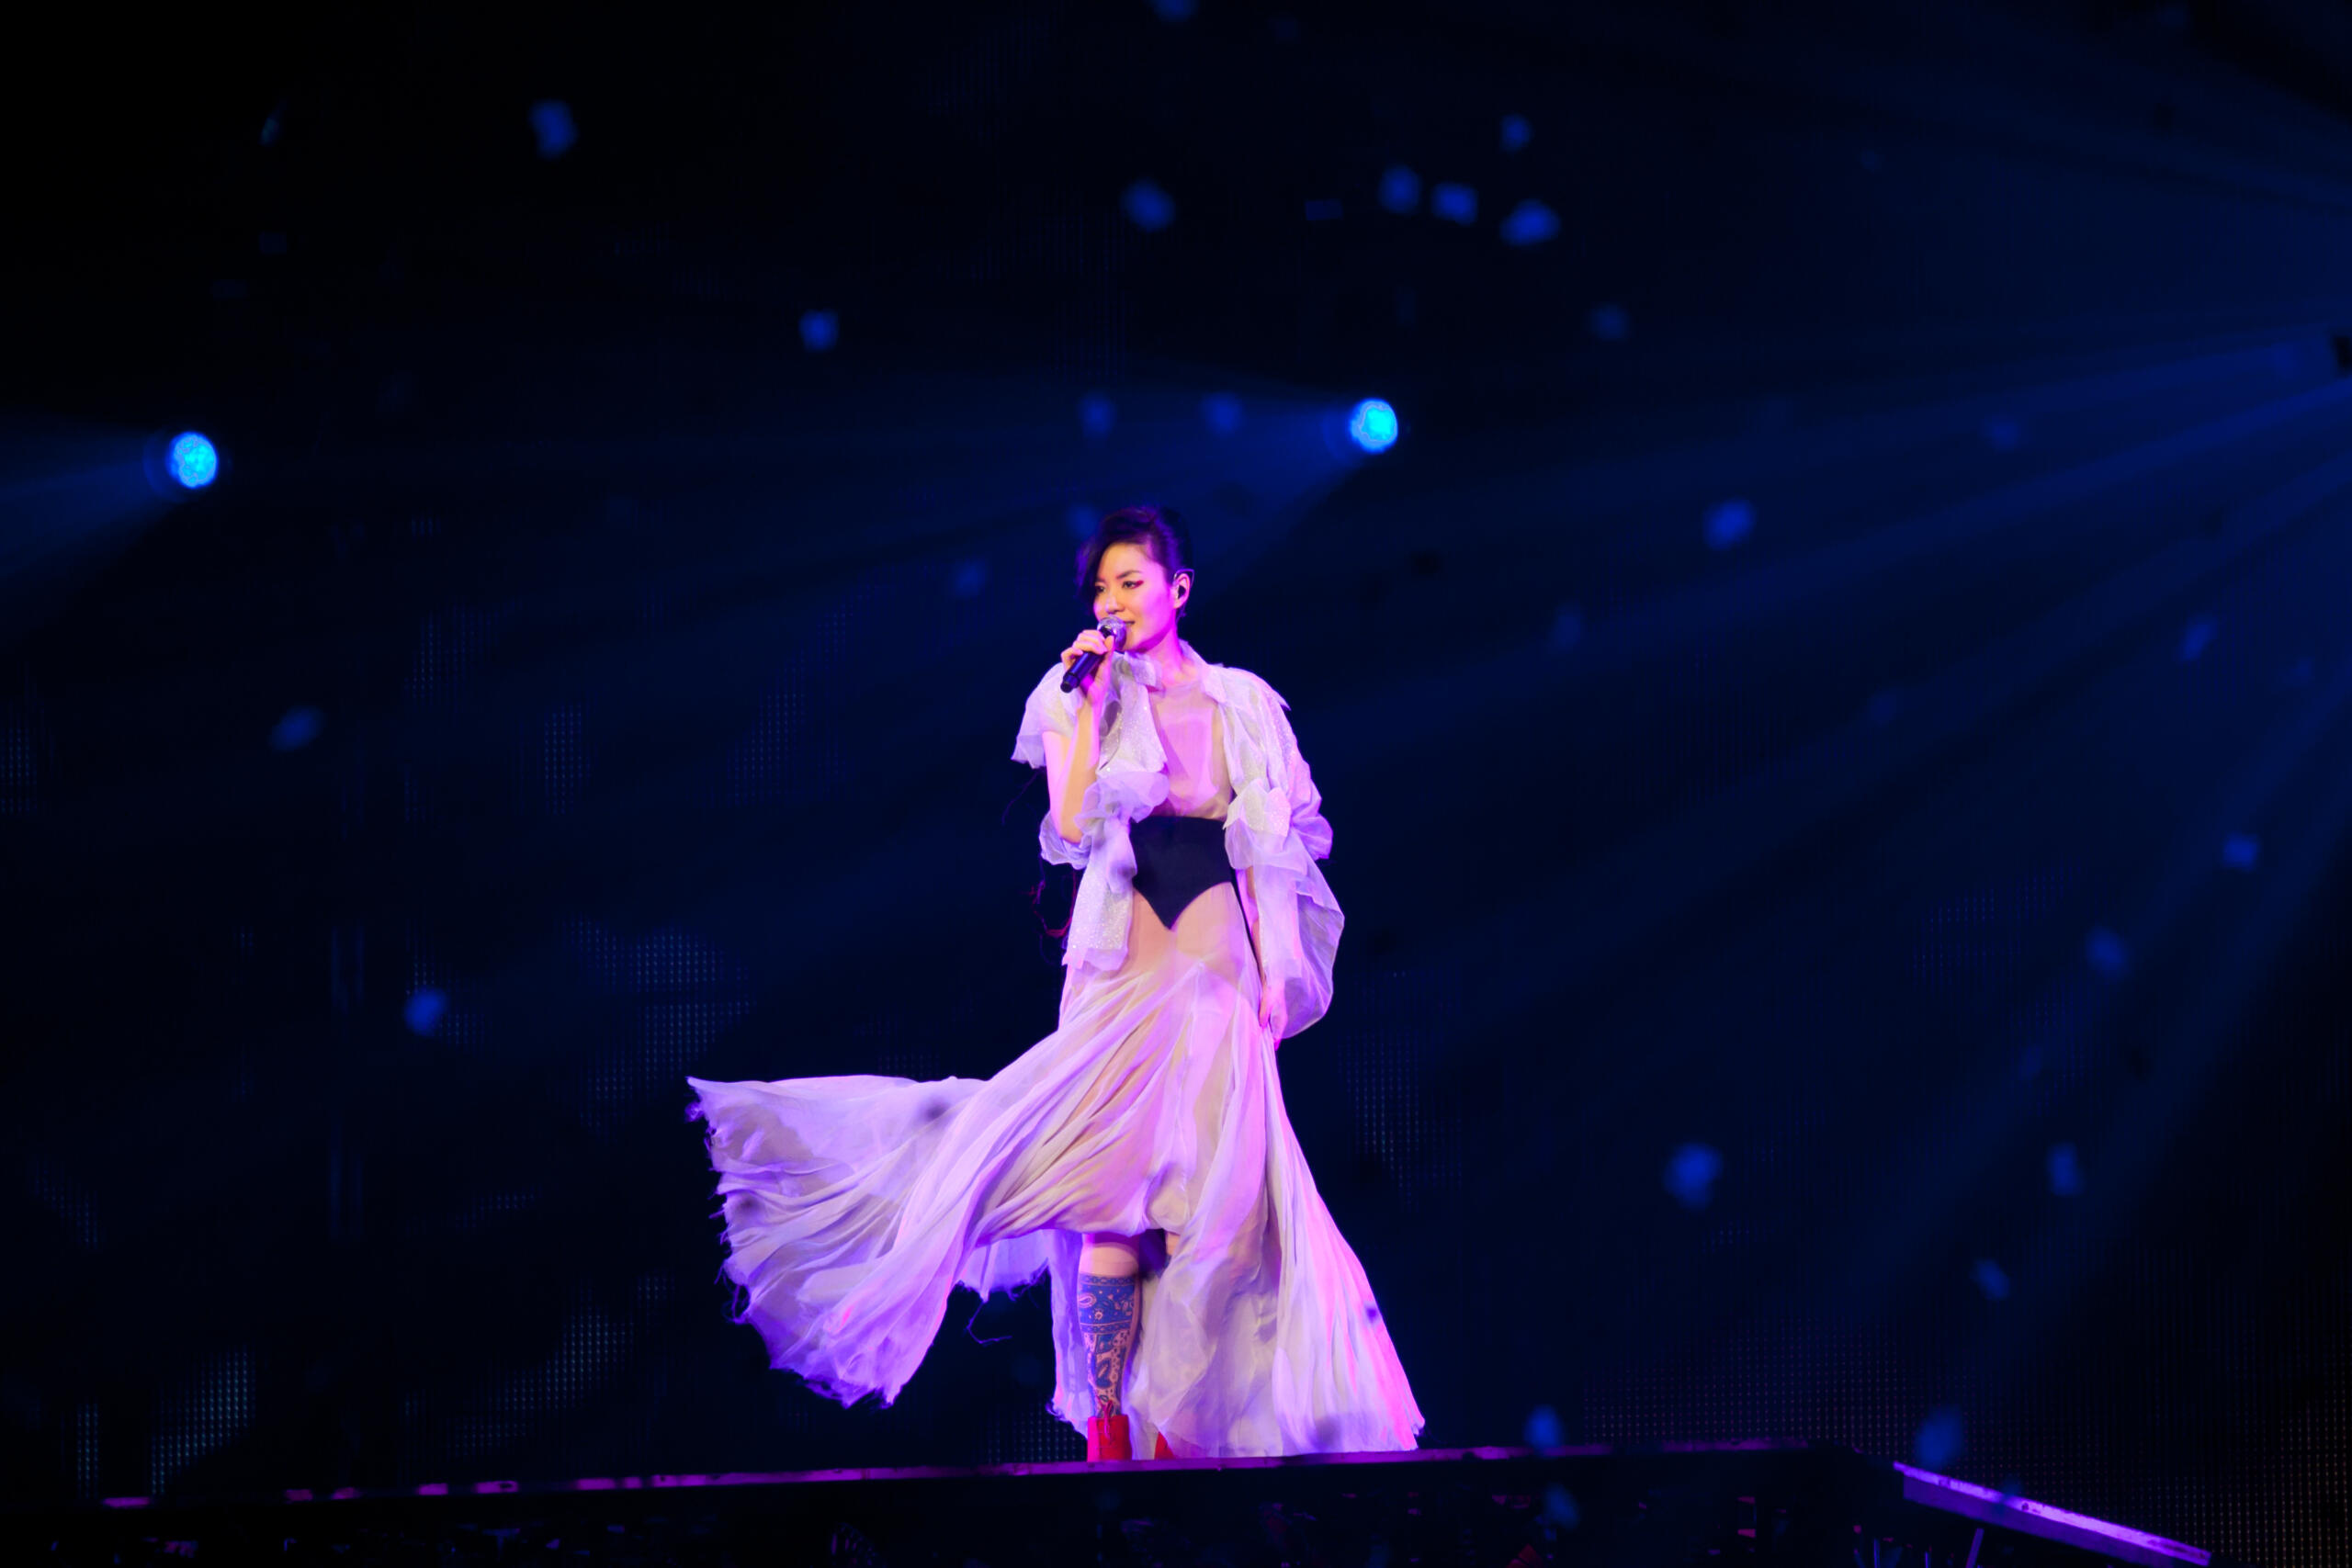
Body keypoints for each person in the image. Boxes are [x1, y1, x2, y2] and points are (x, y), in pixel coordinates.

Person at [684, 504, 1421, 1461]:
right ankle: (1110, 1429)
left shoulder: (1242, 701)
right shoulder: (1077, 693)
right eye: (1103, 587)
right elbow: (1073, 824)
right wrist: (1083, 700)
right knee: (1107, 1201)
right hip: (1120, 979)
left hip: (1217, 980)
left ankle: (1183, 1426)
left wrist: (1276, 971)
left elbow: (1269, 852)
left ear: (1177, 589)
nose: (1116, 600)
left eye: (1133, 582)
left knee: (1215, 1214)